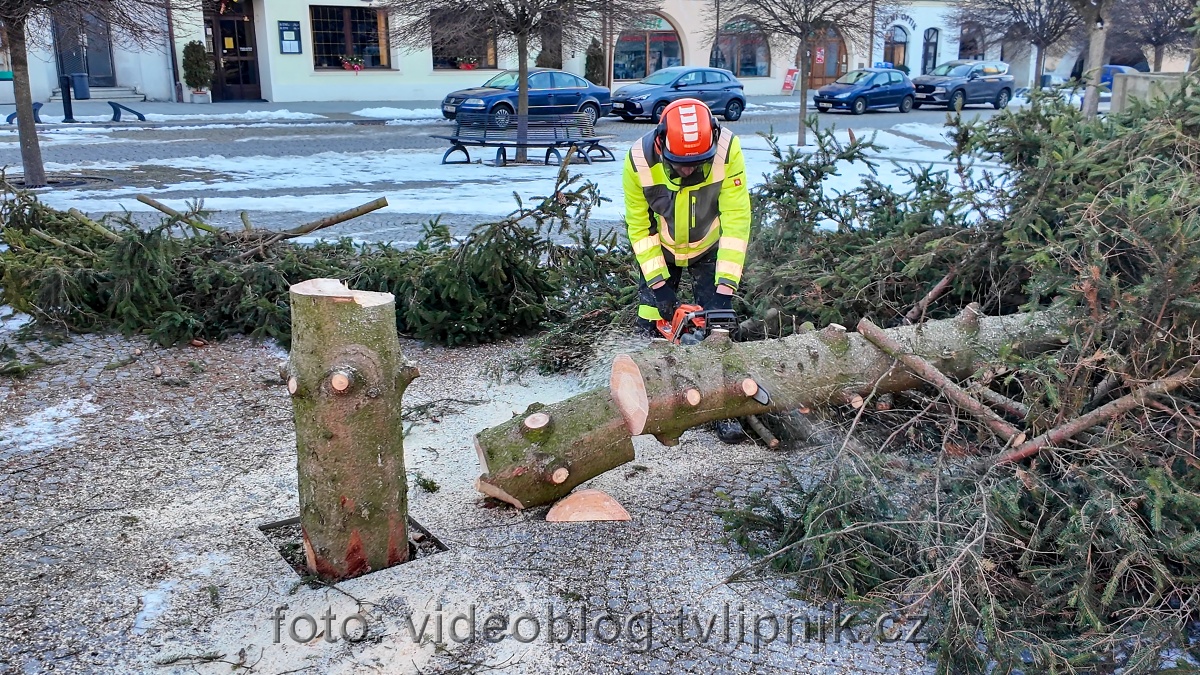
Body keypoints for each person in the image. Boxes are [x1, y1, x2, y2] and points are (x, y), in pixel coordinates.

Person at [623, 97, 752, 443]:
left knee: (717, 331)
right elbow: (639, 227)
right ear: (663, 143)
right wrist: (660, 285)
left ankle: (721, 408)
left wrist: (726, 290)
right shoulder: (639, 159)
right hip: (661, 248)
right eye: (680, 163)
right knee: (651, 321)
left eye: (697, 163)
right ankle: (651, 403)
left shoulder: (727, 150)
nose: (688, 170)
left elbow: (737, 222)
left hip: (709, 246)